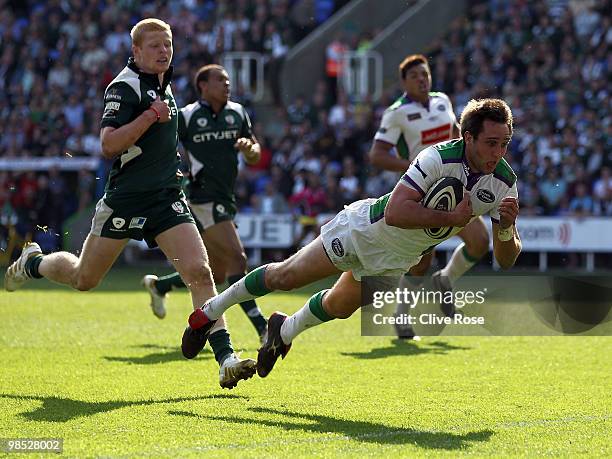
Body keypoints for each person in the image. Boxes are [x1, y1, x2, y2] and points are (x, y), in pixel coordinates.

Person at [182, 98, 522, 377]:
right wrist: (453, 218)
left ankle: (283, 331)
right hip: (365, 231)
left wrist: (505, 229)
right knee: (287, 276)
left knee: (339, 307)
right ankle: (209, 312)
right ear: (468, 138)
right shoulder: (435, 157)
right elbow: (396, 212)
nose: (498, 152)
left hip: (396, 260)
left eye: (504, 143)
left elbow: (506, 260)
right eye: (491, 143)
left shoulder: (504, 182)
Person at [4, 19, 255, 389]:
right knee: (84, 279)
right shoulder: (124, 86)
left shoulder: (164, 85)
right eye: (154, 46)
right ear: (136, 51)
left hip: (166, 200)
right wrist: (151, 116)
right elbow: (108, 144)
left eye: (167, 44)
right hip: (125, 201)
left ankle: (226, 359)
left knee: (200, 273)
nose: (164, 51)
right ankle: (35, 262)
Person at [142, 64, 268, 342]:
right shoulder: (187, 116)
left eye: (227, 80)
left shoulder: (237, 112)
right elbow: (164, 144)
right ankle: (263, 328)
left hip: (225, 196)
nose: (227, 85)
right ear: (203, 86)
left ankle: (160, 286)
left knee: (218, 272)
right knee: (238, 258)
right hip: (202, 196)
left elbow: (256, 153)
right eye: (220, 80)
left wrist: (250, 150)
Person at [368, 54, 490, 338]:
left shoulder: (442, 101)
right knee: (421, 261)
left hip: (456, 184)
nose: (422, 79)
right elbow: (377, 155)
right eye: (415, 76)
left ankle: (445, 280)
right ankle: (401, 317)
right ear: (404, 83)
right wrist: (413, 167)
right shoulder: (396, 113)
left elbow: (456, 135)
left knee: (480, 242)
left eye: (425, 74)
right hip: (422, 192)